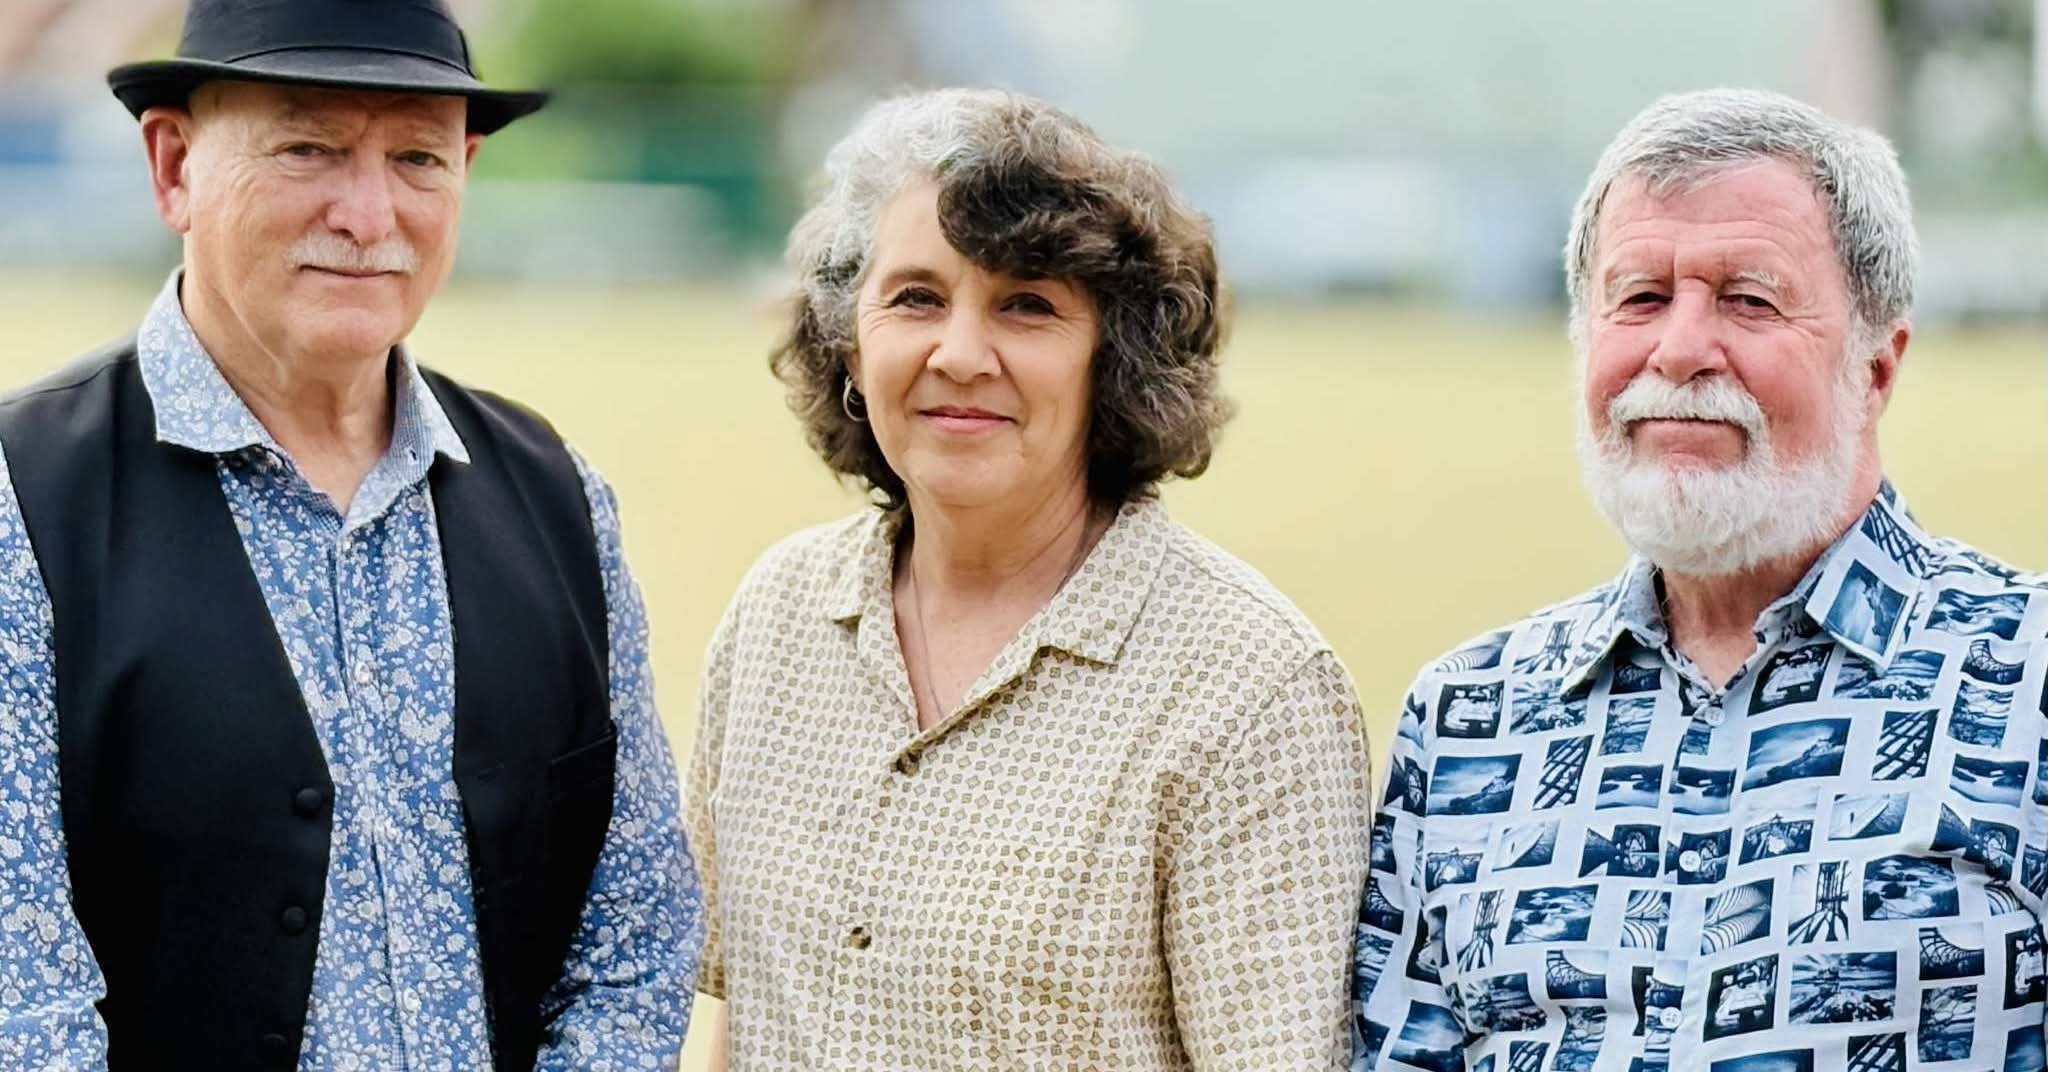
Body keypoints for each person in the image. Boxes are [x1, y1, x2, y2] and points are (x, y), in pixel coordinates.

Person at [0, 2, 701, 1068]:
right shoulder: (22, 500)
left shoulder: (561, 498)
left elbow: (634, 942)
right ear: (175, 166)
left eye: (417, 157)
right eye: (308, 148)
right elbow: (21, 1004)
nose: (370, 216)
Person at [1353, 88, 2048, 1071]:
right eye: (1639, 298)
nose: (1678, 350)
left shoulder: (2027, 679)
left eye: (1748, 299)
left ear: (1875, 368)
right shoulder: (1467, 721)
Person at [687, 87, 1373, 1070]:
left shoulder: (1249, 685)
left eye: (1027, 305)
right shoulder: (776, 615)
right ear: (849, 343)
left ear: (1114, 360)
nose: (961, 354)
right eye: (916, 297)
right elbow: (740, 1016)